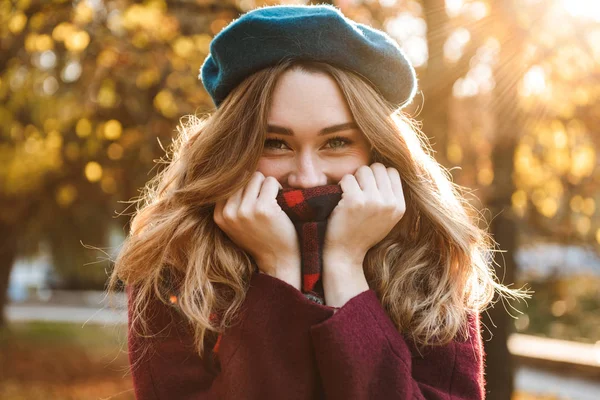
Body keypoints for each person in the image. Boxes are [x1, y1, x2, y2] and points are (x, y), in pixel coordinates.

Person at [108, 4, 530, 399]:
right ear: (233, 148)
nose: (307, 175)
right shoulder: (175, 262)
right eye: (275, 143)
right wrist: (277, 275)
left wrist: (346, 270)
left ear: (377, 150)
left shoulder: (430, 256)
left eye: (336, 142)